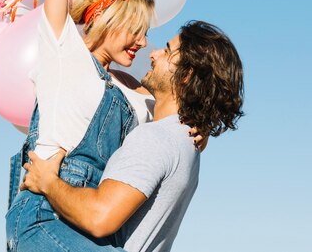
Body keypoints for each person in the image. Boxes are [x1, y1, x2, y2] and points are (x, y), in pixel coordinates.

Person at [6, 0, 204, 252]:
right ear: (106, 19)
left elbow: (173, 115)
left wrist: (200, 131)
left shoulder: (137, 94)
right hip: (44, 214)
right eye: (136, 30)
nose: (144, 42)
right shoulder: (64, 54)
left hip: (92, 222)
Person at [21, 20, 245, 252]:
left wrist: (48, 183)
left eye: (168, 51)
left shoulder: (157, 138)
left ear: (186, 75)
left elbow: (99, 217)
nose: (154, 53)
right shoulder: (187, 142)